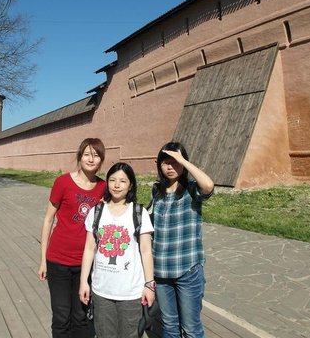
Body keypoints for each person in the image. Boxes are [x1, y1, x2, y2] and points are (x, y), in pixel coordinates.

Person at [38, 138, 107, 338]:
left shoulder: (103, 187)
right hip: (57, 260)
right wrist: (43, 260)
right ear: (79, 156)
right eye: (87, 154)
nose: (91, 159)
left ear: (101, 160)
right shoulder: (63, 182)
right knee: (61, 317)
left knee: (81, 316)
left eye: (96, 155)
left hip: (86, 263)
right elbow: (48, 220)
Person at [79, 162, 155, 338]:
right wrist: (84, 282)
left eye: (122, 181)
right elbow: (89, 249)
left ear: (130, 186)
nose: (116, 185)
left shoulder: (139, 212)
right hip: (101, 291)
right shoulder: (96, 212)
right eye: (112, 180)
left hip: (131, 293)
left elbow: (145, 251)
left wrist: (149, 286)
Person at [150, 142, 214, 338]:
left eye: (175, 162)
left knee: (191, 328)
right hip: (161, 272)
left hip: (187, 270)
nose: (170, 167)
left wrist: (184, 161)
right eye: (166, 162)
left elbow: (209, 185)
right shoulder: (157, 191)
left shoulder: (192, 190)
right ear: (159, 165)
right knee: (169, 325)